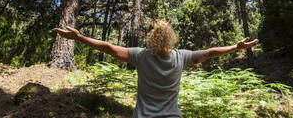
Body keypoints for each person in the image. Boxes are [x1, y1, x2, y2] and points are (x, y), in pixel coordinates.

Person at [54, 19, 258, 118]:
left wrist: (79, 37)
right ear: (169, 34)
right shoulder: (182, 57)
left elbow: (108, 48)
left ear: (149, 36)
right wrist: (236, 47)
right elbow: (210, 52)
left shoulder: (140, 56)